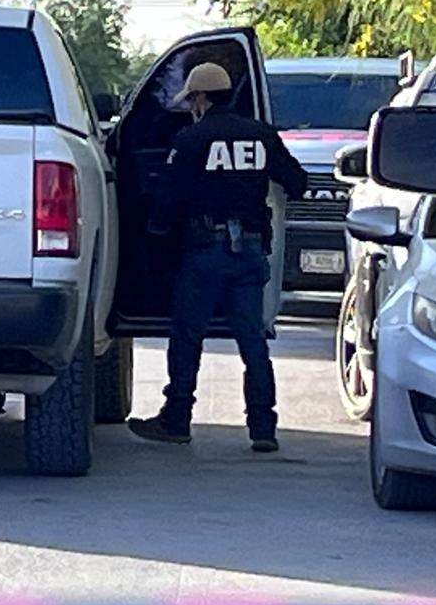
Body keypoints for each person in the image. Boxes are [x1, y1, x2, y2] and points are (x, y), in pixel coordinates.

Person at [127, 62, 306, 453]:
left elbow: (170, 196)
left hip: (206, 250)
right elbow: (297, 182)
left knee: (187, 335)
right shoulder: (261, 135)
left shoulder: (192, 138)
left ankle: (176, 419)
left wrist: (155, 237)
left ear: (201, 98)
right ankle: (263, 428)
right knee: (253, 341)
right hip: (250, 252)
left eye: (192, 99)